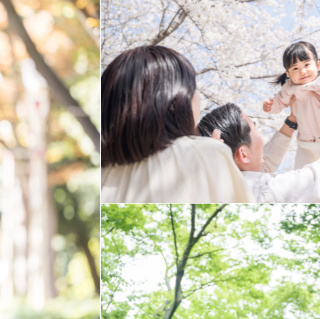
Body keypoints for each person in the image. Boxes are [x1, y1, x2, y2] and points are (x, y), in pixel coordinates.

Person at [101, 45, 251, 203]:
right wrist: (207, 155)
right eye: (194, 87)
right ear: (175, 97)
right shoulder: (205, 152)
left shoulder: (103, 171)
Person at [198, 97, 320, 203]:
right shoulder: (269, 190)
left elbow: (260, 167)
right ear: (243, 154)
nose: (260, 133)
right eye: (255, 127)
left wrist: (292, 121)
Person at [263, 40, 320, 200]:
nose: (302, 71)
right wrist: (271, 106)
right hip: (305, 144)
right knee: (301, 179)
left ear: (317, 65)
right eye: (295, 68)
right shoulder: (289, 88)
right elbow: (280, 102)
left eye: (306, 65)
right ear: (288, 74)